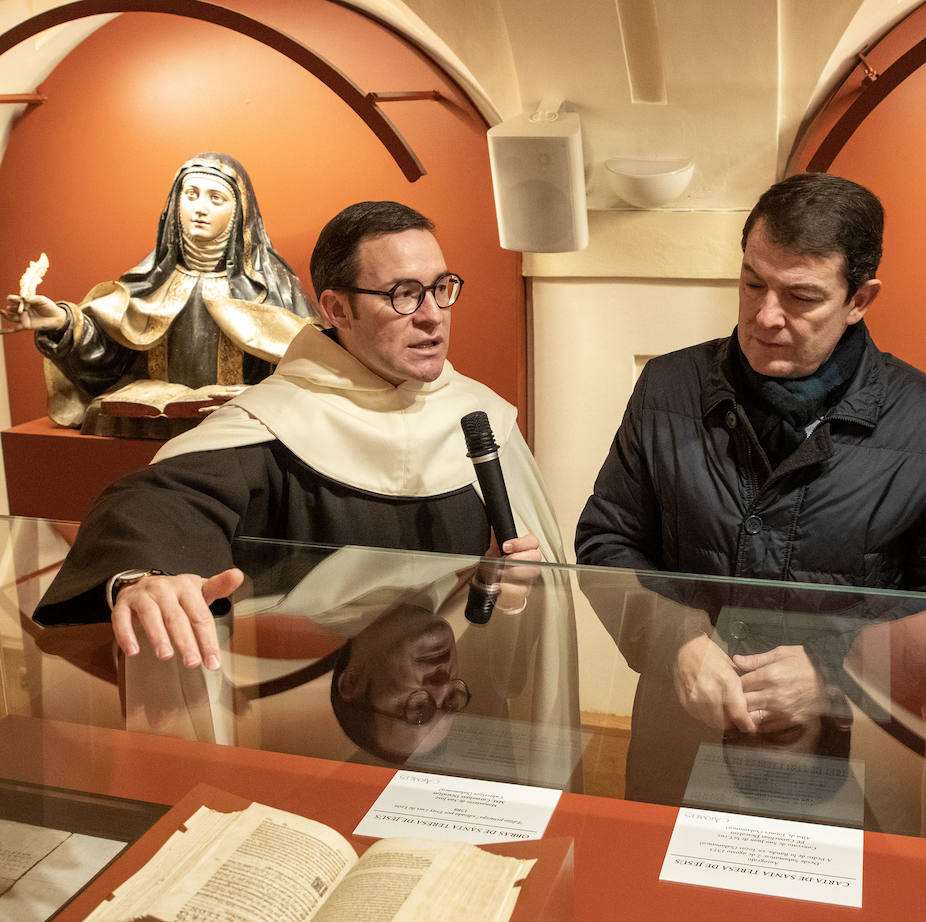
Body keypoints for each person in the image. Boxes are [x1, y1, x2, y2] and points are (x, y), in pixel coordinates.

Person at [575, 172, 926, 800]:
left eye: (801, 297)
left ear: (860, 299)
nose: (765, 316)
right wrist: (678, 639)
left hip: (853, 751)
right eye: (753, 282)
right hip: (685, 733)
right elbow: (606, 541)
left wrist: (837, 671)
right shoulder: (669, 388)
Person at [32, 200, 562, 673]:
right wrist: (145, 576)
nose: (432, 317)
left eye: (441, 289)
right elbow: (157, 503)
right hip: (298, 701)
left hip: (453, 684)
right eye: (404, 294)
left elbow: (527, 590)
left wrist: (512, 587)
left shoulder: (479, 415)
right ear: (335, 310)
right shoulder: (275, 422)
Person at [1, 152, 314, 435]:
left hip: (237, 425)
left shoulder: (274, 288)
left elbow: (311, 367)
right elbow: (106, 359)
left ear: (239, 211)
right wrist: (61, 323)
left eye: (216, 198)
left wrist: (259, 393)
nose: (200, 208)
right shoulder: (148, 282)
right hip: (145, 425)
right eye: (190, 195)